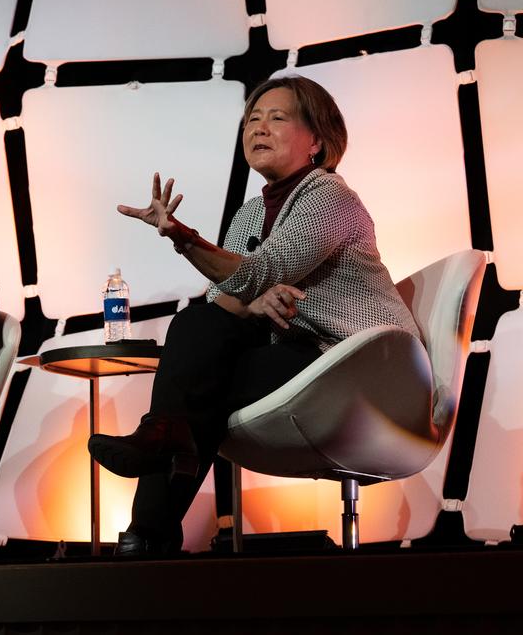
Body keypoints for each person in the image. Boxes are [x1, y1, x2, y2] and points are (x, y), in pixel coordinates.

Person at [89, 75, 419, 556]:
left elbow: (258, 272)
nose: (258, 128)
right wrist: (253, 300)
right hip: (296, 358)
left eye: (278, 118)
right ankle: (152, 509)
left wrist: (183, 237)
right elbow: (228, 297)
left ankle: (151, 516)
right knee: (196, 327)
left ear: (318, 141)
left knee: (199, 387)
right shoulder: (248, 214)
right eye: (252, 119)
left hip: (358, 366)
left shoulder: (329, 196)